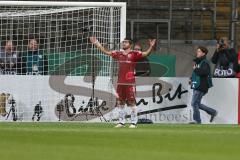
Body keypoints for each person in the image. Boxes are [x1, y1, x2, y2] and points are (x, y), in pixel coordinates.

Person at [90, 37, 156, 128]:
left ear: (130, 44)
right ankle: (121, 122)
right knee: (120, 102)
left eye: (126, 42)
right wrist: (97, 43)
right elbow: (106, 52)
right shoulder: (119, 54)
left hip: (130, 83)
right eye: (123, 42)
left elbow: (146, 54)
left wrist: (151, 46)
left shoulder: (134, 54)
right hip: (120, 83)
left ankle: (134, 122)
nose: (124, 43)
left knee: (132, 102)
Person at [190, 46, 217, 124]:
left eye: (199, 51)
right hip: (198, 85)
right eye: (197, 51)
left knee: (194, 103)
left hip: (201, 85)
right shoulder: (199, 62)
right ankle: (213, 112)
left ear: (203, 53)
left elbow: (204, 72)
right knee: (197, 104)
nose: (197, 53)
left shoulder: (205, 62)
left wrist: (196, 69)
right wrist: (191, 78)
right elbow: (196, 73)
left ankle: (197, 120)